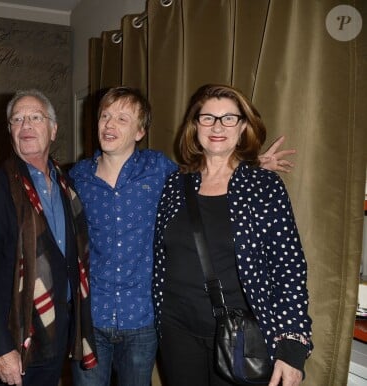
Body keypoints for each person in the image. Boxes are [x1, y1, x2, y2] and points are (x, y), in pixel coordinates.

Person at [69, 86, 297, 386]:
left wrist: (253, 168)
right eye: (105, 116)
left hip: (152, 321)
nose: (110, 125)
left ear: (140, 131)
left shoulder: (161, 171)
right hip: (111, 320)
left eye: (122, 118)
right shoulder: (79, 177)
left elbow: (289, 267)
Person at [153, 84, 313, 386]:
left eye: (229, 118)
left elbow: (289, 267)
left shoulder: (264, 187)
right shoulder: (176, 184)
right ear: (195, 126)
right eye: (208, 118)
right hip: (175, 331)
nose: (217, 126)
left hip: (241, 336)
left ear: (243, 128)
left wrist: (292, 349)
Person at [0, 89, 97, 386]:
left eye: (35, 117)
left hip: (55, 334)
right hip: (12, 339)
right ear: (10, 131)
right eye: (17, 119)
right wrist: (0, 349)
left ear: (53, 130)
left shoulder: (68, 185)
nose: (26, 125)